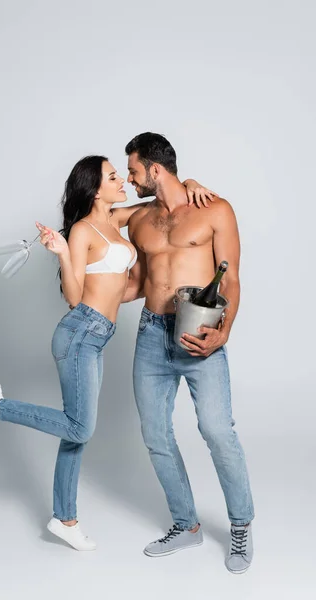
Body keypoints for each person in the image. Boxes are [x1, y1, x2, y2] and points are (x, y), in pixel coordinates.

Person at [0, 154, 214, 551]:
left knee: (75, 431)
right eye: (113, 177)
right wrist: (60, 251)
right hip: (80, 332)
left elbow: (160, 200)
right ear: (94, 188)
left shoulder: (116, 219)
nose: (122, 181)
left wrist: (190, 181)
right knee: (80, 427)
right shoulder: (82, 231)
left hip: (98, 335)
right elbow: (74, 298)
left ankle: (65, 519)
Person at [124, 132, 254, 574]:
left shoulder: (215, 210)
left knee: (218, 431)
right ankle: (186, 525)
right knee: (156, 435)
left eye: (133, 170)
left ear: (154, 170)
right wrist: (85, 293)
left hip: (201, 335)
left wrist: (225, 331)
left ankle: (240, 524)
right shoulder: (141, 219)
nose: (128, 179)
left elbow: (231, 278)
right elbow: (137, 282)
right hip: (150, 334)